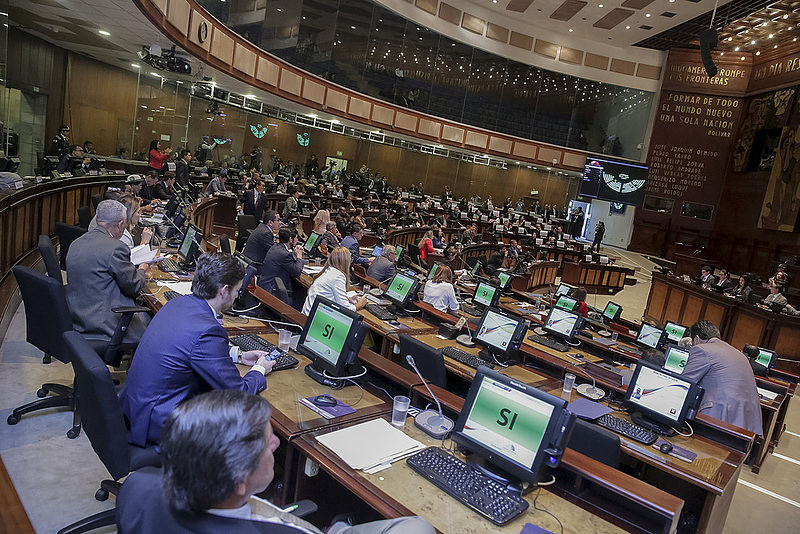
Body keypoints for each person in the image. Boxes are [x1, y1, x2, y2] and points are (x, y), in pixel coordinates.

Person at [117, 390, 434, 534]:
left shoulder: (136, 485)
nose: (276, 443)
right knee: (420, 526)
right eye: (266, 444)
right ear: (239, 481)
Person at [119, 253, 275, 446]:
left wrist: (238, 355)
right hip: (158, 422)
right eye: (237, 290)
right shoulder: (207, 330)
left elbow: (188, 346)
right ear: (224, 290)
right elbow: (238, 392)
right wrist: (260, 369)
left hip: (137, 407)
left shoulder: (179, 303)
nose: (237, 296)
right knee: (241, 421)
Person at [66, 200, 150, 345]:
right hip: (105, 324)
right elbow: (134, 285)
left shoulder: (76, 243)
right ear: (120, 224)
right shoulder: (116, 248)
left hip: (78, 317)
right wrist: (142, 269)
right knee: (156, 322)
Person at [682, 321, 762, 436]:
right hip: (748, 419)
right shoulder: (737, 352)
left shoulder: (701, 349)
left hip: (721, 417)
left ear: (697, 339)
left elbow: (685, 383)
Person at [302, 247, 367, 315]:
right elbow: (345, 309)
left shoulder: (328, 271)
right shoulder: (338, 276)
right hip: (314, 317)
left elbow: (330, 296)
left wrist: (347, 299)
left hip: (308, 313)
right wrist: (359, 305)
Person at [258, 228, 305, 298]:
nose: (297, 240)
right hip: (273, 291)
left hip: (265, 285)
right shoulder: (285, 254)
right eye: (296, 238)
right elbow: (297, 271)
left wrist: (294, 255)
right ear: (290, 239)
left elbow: (288, 263)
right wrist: (299, 256)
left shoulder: (275, 247)